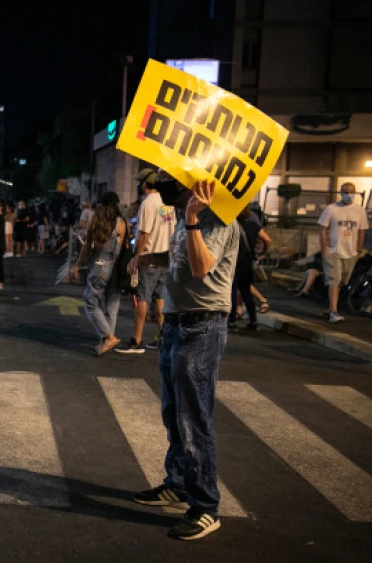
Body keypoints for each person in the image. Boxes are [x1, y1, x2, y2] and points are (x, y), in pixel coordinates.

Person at [132, 171, 239, 541]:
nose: (159, 182)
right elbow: (179, 256)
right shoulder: (182, 215)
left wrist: (192, 219)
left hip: (202, 327)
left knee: (193, 419)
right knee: (172, 414)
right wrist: (149, 258)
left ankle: (205, 507)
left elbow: (200, 266)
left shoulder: (218, 218)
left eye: (166, 177)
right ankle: (177, 484)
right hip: (177, 324)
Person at [118, 168, 175, 354]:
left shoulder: (148, 204)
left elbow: (143, 235)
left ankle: (136, 340)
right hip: (167, 259)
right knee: (160, 300)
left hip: (149, 258)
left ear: (143, 184)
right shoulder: (169, 202)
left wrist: (135, 257)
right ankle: (163, 338)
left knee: (141, 297)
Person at [70, 192, 128, 356]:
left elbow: (87, 247)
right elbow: (125, 247)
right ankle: (107, 338)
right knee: (112, 304)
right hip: (116, 267)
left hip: (99, 266)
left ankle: (108, 336)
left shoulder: (96, 221)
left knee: (90, 301)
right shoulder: (122, 223)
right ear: (116, 205)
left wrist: (77, 266)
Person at [318, 182, 368, 323]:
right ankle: (334, 312)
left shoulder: (360, 211)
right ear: (340, 193)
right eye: (345, 192)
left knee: (341, 282)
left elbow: (361, 231)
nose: (348, 195)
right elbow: (322, 229)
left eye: (351, 192)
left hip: (351, 252)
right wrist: (324, 249)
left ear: (355, 193)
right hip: (333, 251)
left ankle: (330, 309)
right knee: (334, 281)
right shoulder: (331, 209)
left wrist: (358, 249)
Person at [229, 207, 273, 329]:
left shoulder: (230, 227)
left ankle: (232, 321)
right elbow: (268, 240)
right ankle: (253, 320)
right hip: (247, 262)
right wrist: (263, 253)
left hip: (233, 262)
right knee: (246, 291)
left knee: (232, 291)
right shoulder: (253, 226)